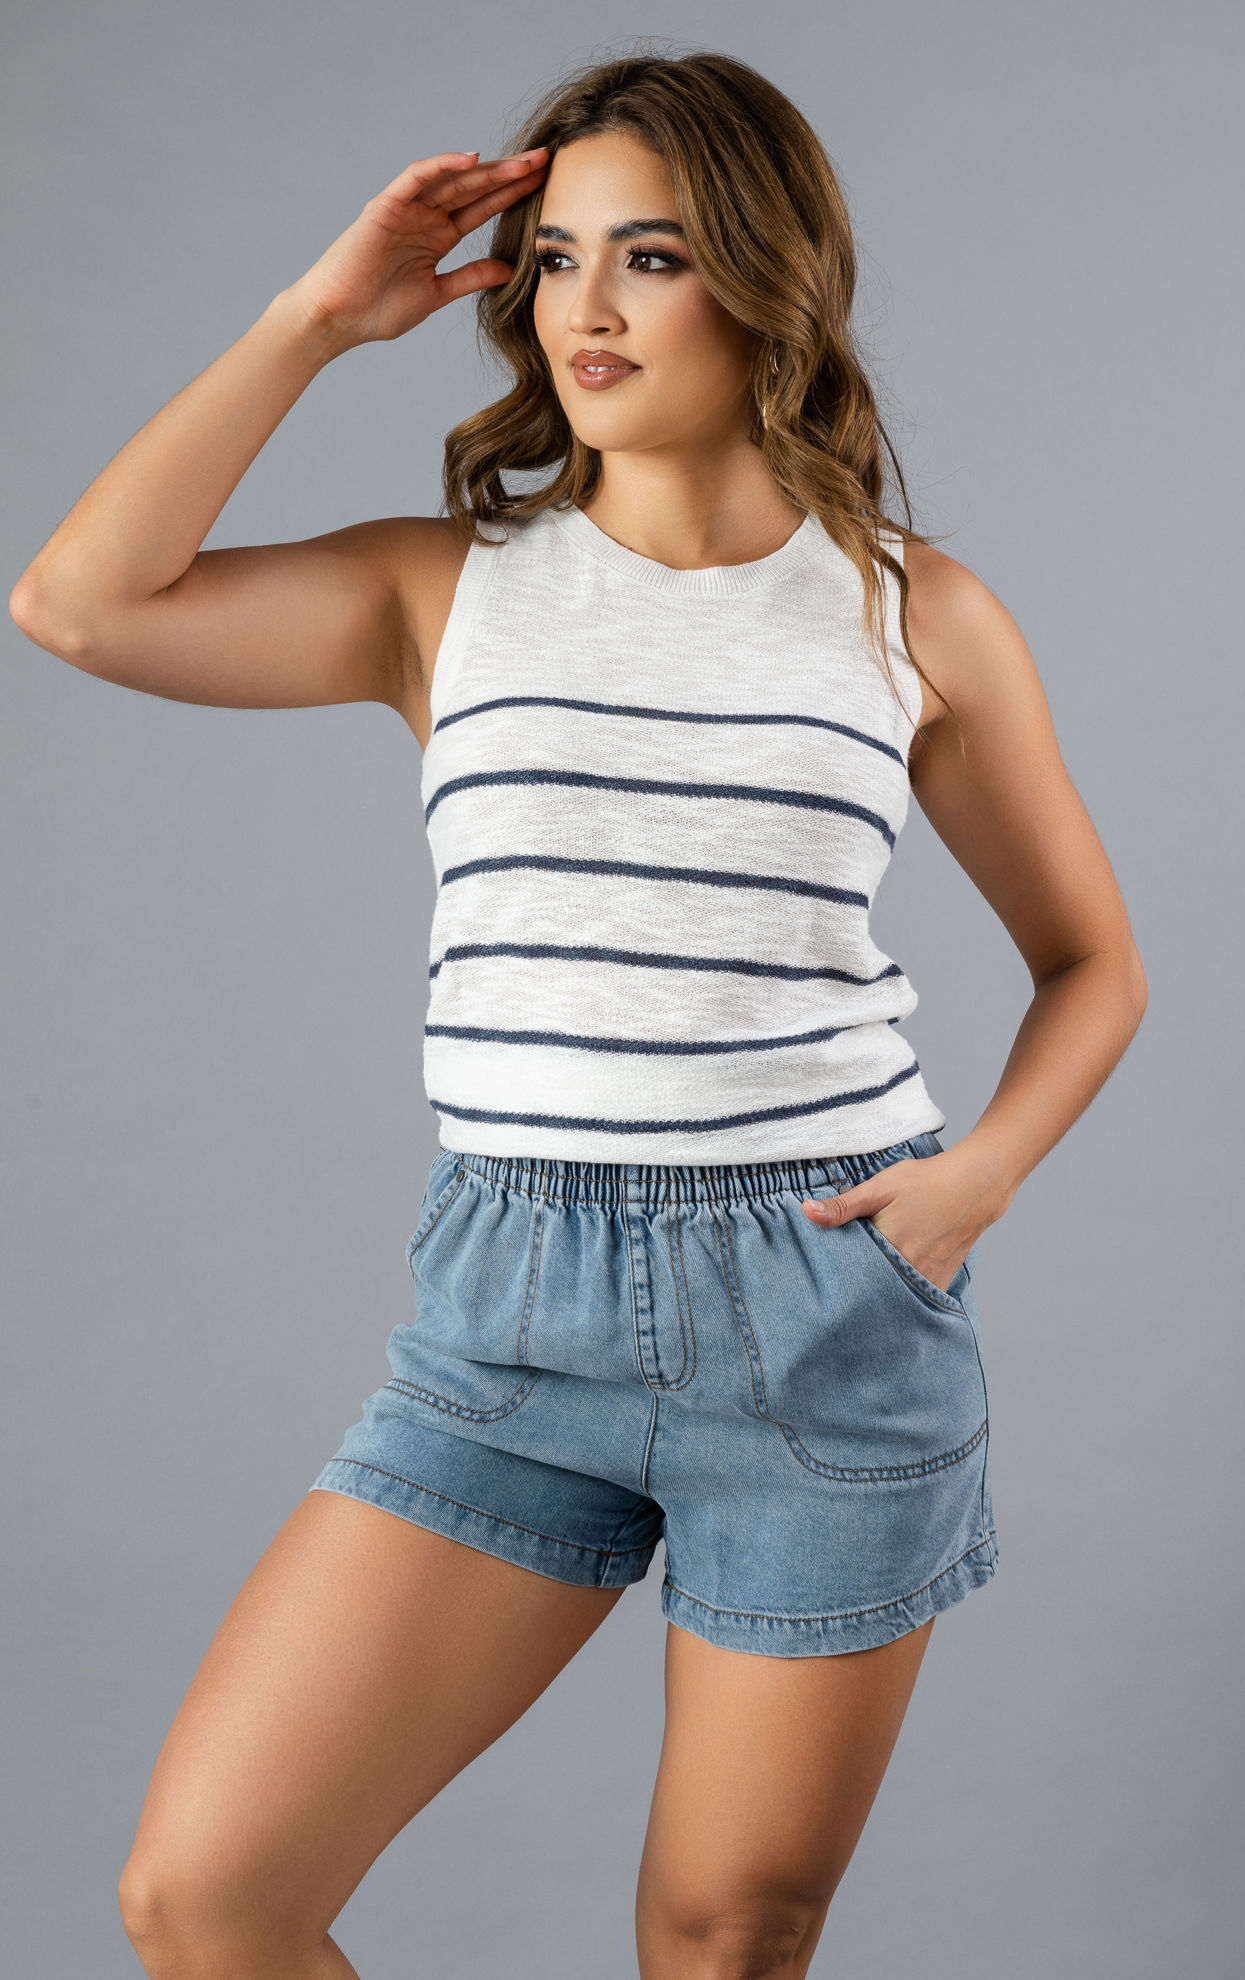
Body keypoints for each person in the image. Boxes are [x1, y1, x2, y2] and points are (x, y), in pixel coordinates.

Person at [10, 48, 1147, 1980]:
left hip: (827, 1306)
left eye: (654, 255)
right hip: (512, 1311)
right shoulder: (443, 592)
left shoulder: (915, 614)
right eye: (555, 258)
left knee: (723, 1940)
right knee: (209, 1900)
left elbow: (1094, 963)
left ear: (769, 277)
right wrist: (314, 322)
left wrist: (980, 1180)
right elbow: (80, 605)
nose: (587, 306)